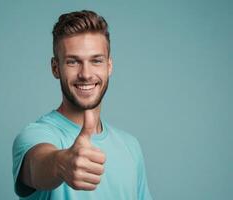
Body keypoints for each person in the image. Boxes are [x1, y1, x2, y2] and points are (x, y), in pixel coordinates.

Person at [12, 10, 153, 200]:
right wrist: (61, 164)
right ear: (55, 68)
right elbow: (37, 165)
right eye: (73, 62)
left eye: (96, 61)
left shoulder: (131, 146)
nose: (86, 74)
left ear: (109, 66)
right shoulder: (35, 135)